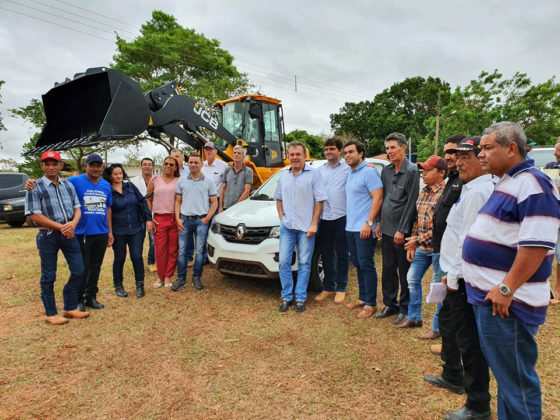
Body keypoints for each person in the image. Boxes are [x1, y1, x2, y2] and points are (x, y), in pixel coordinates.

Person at [463, 122, 560, 420]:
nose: (481, 154)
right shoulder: (508, 181)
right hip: (492, 300)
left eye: (487, 147)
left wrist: (507, 288)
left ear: (511, 148)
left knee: (517, 382)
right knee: (507, 379)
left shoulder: (534, 184)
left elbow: (537, 246)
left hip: (508, 305)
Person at [424, 136, 495, 420]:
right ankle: (454, 377)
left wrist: (452, 275)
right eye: (459, 156)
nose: (461, 162)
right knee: (455, 332)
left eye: (468, 157)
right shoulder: (470, 187)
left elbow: (468, 240)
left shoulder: (479, 191)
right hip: (456, 276)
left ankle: (478, 406)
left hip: (463, 279)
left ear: (483, 159)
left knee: (470, 343)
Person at [24, 153, 113, 310]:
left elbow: (105, 208)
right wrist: (30, 182)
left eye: (98, 165)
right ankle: (75, 301)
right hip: (76, 233)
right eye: (92, 165)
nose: (95, 168)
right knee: (76, 270)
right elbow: (34, 212)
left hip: (96, 232)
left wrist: (109, 231)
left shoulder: (102, 185)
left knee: (94, 267)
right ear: (86, 167)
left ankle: (90, 297)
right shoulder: (74, 181)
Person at [24, 151, 89, 325]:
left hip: (68, 234)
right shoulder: (34, 187)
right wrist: (61, 226)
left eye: (55, 163)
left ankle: (69, 307)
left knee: (79, 270)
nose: (51, 167)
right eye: (47, 164)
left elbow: (77, 208)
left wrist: (73, 224)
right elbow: (35, 215)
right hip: (48, 235)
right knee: (49, 275)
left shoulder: (68, 185)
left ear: (60, 165)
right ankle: (51, 313)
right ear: (42, 166)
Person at [422, 134, 466, 342]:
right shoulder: (454, 179)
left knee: (448, 296)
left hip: (453, 252)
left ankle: (443, 333)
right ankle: (442, 332)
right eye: (446, 151)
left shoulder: (466, 182)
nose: (448, 155)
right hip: (441, 248)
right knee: (442, 293)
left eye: (453, 151)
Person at [274, 141, 327, 313]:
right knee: (283, 262)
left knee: (304, 262)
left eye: (298, 154)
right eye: (292, 154)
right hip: (287, 227)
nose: (295, 157)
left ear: (304, 156)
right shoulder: (284, 175)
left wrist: (314, 224)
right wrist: (282, 217)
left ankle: (301, 298)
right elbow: (278, 198)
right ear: (288, 156)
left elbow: (320, 200)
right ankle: (286, 297)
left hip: (306, 228)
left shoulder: (314, 174)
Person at [374, 132, 420, 324]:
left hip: (402, 232)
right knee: (388, 269)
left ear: (403, 148)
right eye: (387, 148)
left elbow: (411, 203)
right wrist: (378, 222)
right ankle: (389, 304)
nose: (389, 151)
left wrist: (402, 229)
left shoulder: (412, 171)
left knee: (404, 271)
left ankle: (405, 307)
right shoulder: (386, 171)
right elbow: (381, 198)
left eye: (393, 147)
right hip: (386, 229)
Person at [400, 155, 447, 328]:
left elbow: (441, 227)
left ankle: (437, 327)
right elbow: (416, 220)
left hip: (438, 248)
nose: (424, 174)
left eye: (428, 170)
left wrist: (417, 241)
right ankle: (414, 317)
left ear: (442, 173)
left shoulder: (445, 194)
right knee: (412, 279)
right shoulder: (423, 192)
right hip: (421, 247)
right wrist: (414, 243)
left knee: (438, 288)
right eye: (423, 170)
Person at [343, 140, 383, 318]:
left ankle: (371, 303)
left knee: (367, 264)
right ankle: (362, 297)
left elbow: (378, 198)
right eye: (346, 153)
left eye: (351, 152)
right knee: (358, 263)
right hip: (350, 227)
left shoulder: (369, 172)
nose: (348, 155)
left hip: (364, 227)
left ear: (361, 153)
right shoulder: (351, 173)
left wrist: (369, 223)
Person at [104, 164, 152, 298]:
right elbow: (107, 211)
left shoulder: (129, 186)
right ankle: (118, 286)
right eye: (115, 174)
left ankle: (140, 285)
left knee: (137, 257)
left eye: (120, 173)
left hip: (136, 229)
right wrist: (109, 232)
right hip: (118, 231)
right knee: (119, 258)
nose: (119, 176)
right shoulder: (107, 190)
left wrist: (149, 219)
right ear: (110, 176)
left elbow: (142, 201)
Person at [173, 153, 218, 291]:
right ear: (188, 164)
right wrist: (177, 218)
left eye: (196, 162)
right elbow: (178, 201)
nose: (193, 164)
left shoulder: (209, 182)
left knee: (199, 252)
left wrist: (207, 218)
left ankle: (196, 278)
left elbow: (214, 202)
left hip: (201, 220)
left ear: (201, 164)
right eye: (191, 162)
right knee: (182, 252)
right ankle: (181, 279)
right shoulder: (181, 181)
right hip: (185, 220)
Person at [314, 137, 351, 304]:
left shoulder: (348, 168)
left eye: (332, 149)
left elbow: (361, 169)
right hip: (324, 217)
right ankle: (328, 286)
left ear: (339, 151)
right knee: (326, 253)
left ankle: (341, 287)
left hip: (341, 216)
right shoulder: (319, 170)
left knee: (342, 254)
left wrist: (368, 165)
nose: (328, 152)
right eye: (326, 149)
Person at [146, 156, 180, 288]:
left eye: (171, 165)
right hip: (159, 219)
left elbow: (180, 200)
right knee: (160, 250)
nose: (168, 167)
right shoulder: (155, 179)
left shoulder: (179, 181)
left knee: (173, 249)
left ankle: (168, 276)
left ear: (176, 167)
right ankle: (160, 277)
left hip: (173, 218)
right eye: (166, 164)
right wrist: (151, 216)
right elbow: (148, 199)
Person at [130, 157, 156, 272]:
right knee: (138, 240)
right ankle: (138, 262)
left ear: (153, 167)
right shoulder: (133, 181)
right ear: (141, 166)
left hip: (153, 213)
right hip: (138, 215)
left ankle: (152, 261)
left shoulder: (157, 180)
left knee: (153, 240)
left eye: (149, 164)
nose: (147, 166)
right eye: (144, 164)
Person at [543, 138, 560, 304]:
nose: (555, 153)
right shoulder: (550, 166)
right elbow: (548, 188)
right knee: (546, 251)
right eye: (555, 150)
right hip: (551, 215)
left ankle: (558, 289)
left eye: (558, 151)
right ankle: (546, 288)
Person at [219, 145, 253, 212]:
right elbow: (223, 188)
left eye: (239, 153)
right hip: (226, 207)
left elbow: (247, 191)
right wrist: (220, 206)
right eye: (234, 153)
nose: (236, 155)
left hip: (240, 209)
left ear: (243, 156)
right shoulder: (227, 170)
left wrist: (235, 207)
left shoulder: (248, 171)